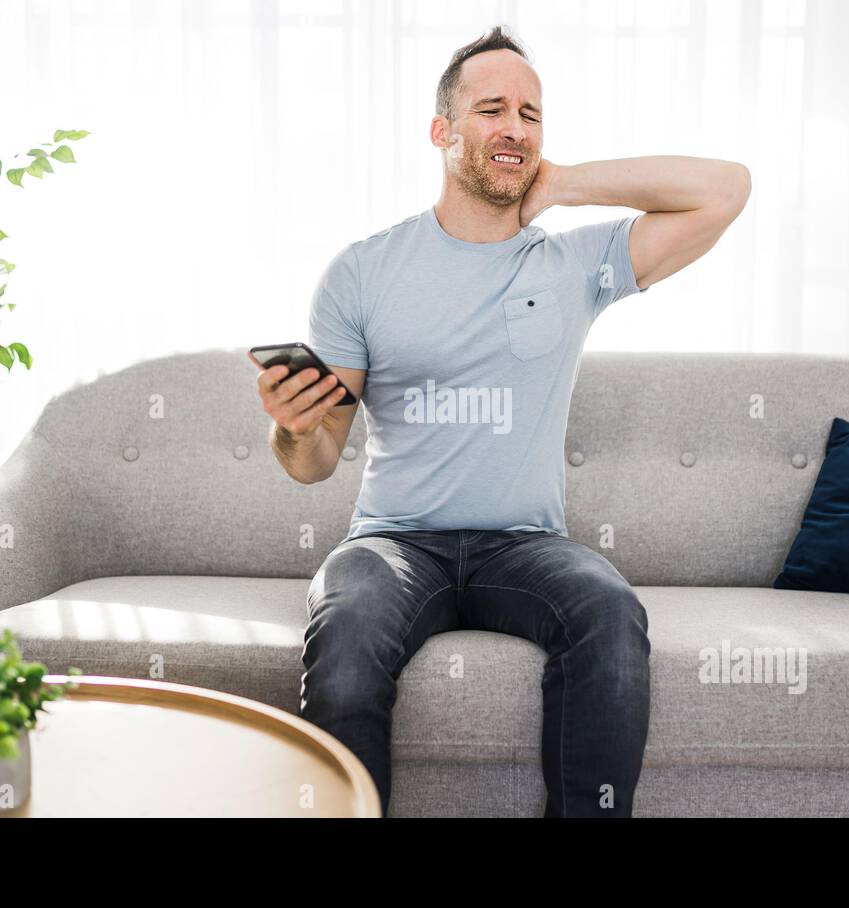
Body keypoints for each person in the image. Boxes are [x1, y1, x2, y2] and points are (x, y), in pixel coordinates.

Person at [255, 25, 750, 817]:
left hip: (526, 548)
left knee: (611, 613)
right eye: (491, 110)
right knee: (344, 641)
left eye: (531, 113)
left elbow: (727, 188)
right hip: (393, 543)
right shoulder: (363, 271)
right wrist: (290, 426)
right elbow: (315, 459)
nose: (515, 127)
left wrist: (560, 185)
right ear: (441, 131)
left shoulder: (572, 264)